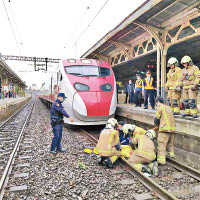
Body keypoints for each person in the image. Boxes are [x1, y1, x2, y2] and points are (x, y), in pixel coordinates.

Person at [154, 96, 176, 164]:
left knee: (162, 144)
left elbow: (156, 118)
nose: (156, 105)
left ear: (158, 102)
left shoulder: (160, 107)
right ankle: (171, 156)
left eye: (156, 103)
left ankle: (161, 161)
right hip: (172, 129)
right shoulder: (169, 108)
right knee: (170, 144)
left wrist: (156, 126)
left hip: (164, 129)